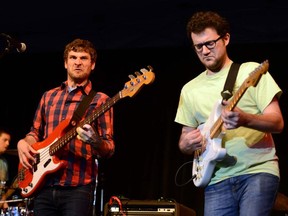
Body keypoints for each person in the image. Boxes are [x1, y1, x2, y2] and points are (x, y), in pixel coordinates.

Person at [174, 11, 284, 216]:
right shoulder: (189, 89)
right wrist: (187, 143)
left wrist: (245, 119)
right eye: (198, 47)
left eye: (210, 43)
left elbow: (277, 122)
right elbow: (184, 139)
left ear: (226, 38)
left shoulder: (250, 72)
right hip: (215, 179)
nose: (205, 51)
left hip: (257, 171)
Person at [17, 38, 115, 216]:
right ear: (65, 62)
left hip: (78, 187)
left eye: (84, 58)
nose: (78, 62)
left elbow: (108, 149)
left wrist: (96, 142)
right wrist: (23, 143)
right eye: (73, 57)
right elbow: (34, 133)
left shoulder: (100, 100)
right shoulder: (49, 96)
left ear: (92, 65)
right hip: (43, 185)